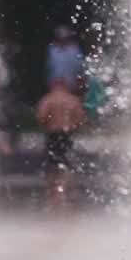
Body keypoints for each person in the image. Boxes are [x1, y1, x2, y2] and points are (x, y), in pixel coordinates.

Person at [35, 77, 86, 210]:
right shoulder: (72, 100)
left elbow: (41, 117)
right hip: (67, 134)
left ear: (54, 85)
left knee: (52, 166)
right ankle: (65, 193)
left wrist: (48, 124)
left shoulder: (48, 99)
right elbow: (81, 119)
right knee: (67, 164)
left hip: (53, 134)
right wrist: (72, 125)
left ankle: (54, 196)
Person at [45, 25, 83, 92]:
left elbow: (79, 66)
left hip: (71, 83)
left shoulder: (74, 49)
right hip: (55, 83)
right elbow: (49, 67)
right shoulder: (52, 49)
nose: (63, 39)